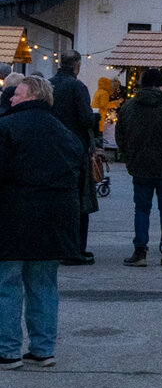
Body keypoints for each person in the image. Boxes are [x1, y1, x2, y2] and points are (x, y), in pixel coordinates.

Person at [0, 75, 87, 368]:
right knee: (44, 284)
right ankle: (43, 348)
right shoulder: (65, 133)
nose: (11, 97)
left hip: (13, 216)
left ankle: (8, 350)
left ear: (30, 97)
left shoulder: (6, 127)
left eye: (16, 94)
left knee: (8, 284)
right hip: (54, 220)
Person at [116, 69, 162, 267]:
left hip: (140, 166)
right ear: (158, 86)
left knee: (141, 209)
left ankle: (140, 251)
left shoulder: (130, 107)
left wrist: (129, 155)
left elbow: (120, 136)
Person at [50, 51, 98, 266]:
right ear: (77, 65)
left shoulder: (49, 84)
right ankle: (76, 248)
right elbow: (86, 118)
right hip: (75, 148)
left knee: (57, 200)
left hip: (52, 148)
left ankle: (57, 246)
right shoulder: (77, 87)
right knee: (78, 200)